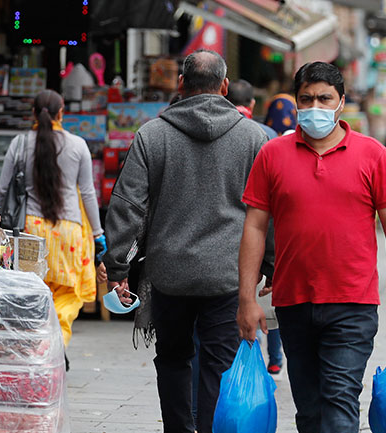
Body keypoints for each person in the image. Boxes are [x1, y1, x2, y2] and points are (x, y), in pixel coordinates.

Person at [237, 61, 386, 433]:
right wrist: (246, 299)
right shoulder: (272, 155)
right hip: (293, 303)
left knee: (339, 402)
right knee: (308, 410)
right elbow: (255, 228)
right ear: (295, 103)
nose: (315, 107)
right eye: (306, 99)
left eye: (325, 98)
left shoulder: (373, 155)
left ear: (341, 102)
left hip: (352, 303)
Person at [103, 49, 271, 433]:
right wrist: (271, 264)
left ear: (181, 84)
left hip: (169, 274)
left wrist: (117, 266)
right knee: (219, 363)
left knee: (174, 358)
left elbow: (128, 206)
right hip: (228, 275)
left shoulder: (152, 134)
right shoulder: (253, 138)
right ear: (225, 87)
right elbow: (268, 209)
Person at [0, 89, 105, 351]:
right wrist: (98, 233)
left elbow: (3, 190)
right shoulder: (78, 145)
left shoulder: (19, 144)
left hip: (30, 231)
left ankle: (34, 342)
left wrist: (0, 221)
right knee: (67, 294)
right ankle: (53, 343)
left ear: (33, 113)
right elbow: (88, 193)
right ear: (62, 113)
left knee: (32, 293)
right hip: (68, 232)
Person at [225, 79, 285, 375]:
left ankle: (246, 349)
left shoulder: (221, 133)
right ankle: (274, 356)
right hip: (260, 236)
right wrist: (272, 263)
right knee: (266, 298)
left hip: (227, 239)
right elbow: (271, 206)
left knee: (240, 300)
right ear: (252, 105)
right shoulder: (270, 136)